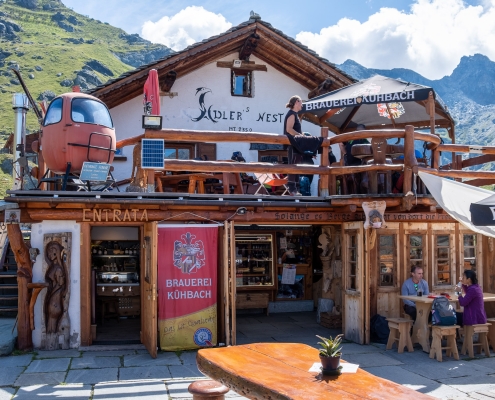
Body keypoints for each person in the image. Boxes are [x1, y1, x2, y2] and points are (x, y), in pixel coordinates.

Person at [283, 95, 304, 196]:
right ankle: (292, 189)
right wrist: (301, 136)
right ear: (296, 102)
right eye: (301, 102)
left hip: (296, 144)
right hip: (292, 144)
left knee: (296, 165)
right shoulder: (291, 114)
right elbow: (289, 129)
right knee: (293, 165)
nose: (302, 105)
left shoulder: (294, 114)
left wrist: (302, 136)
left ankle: (295, 189)